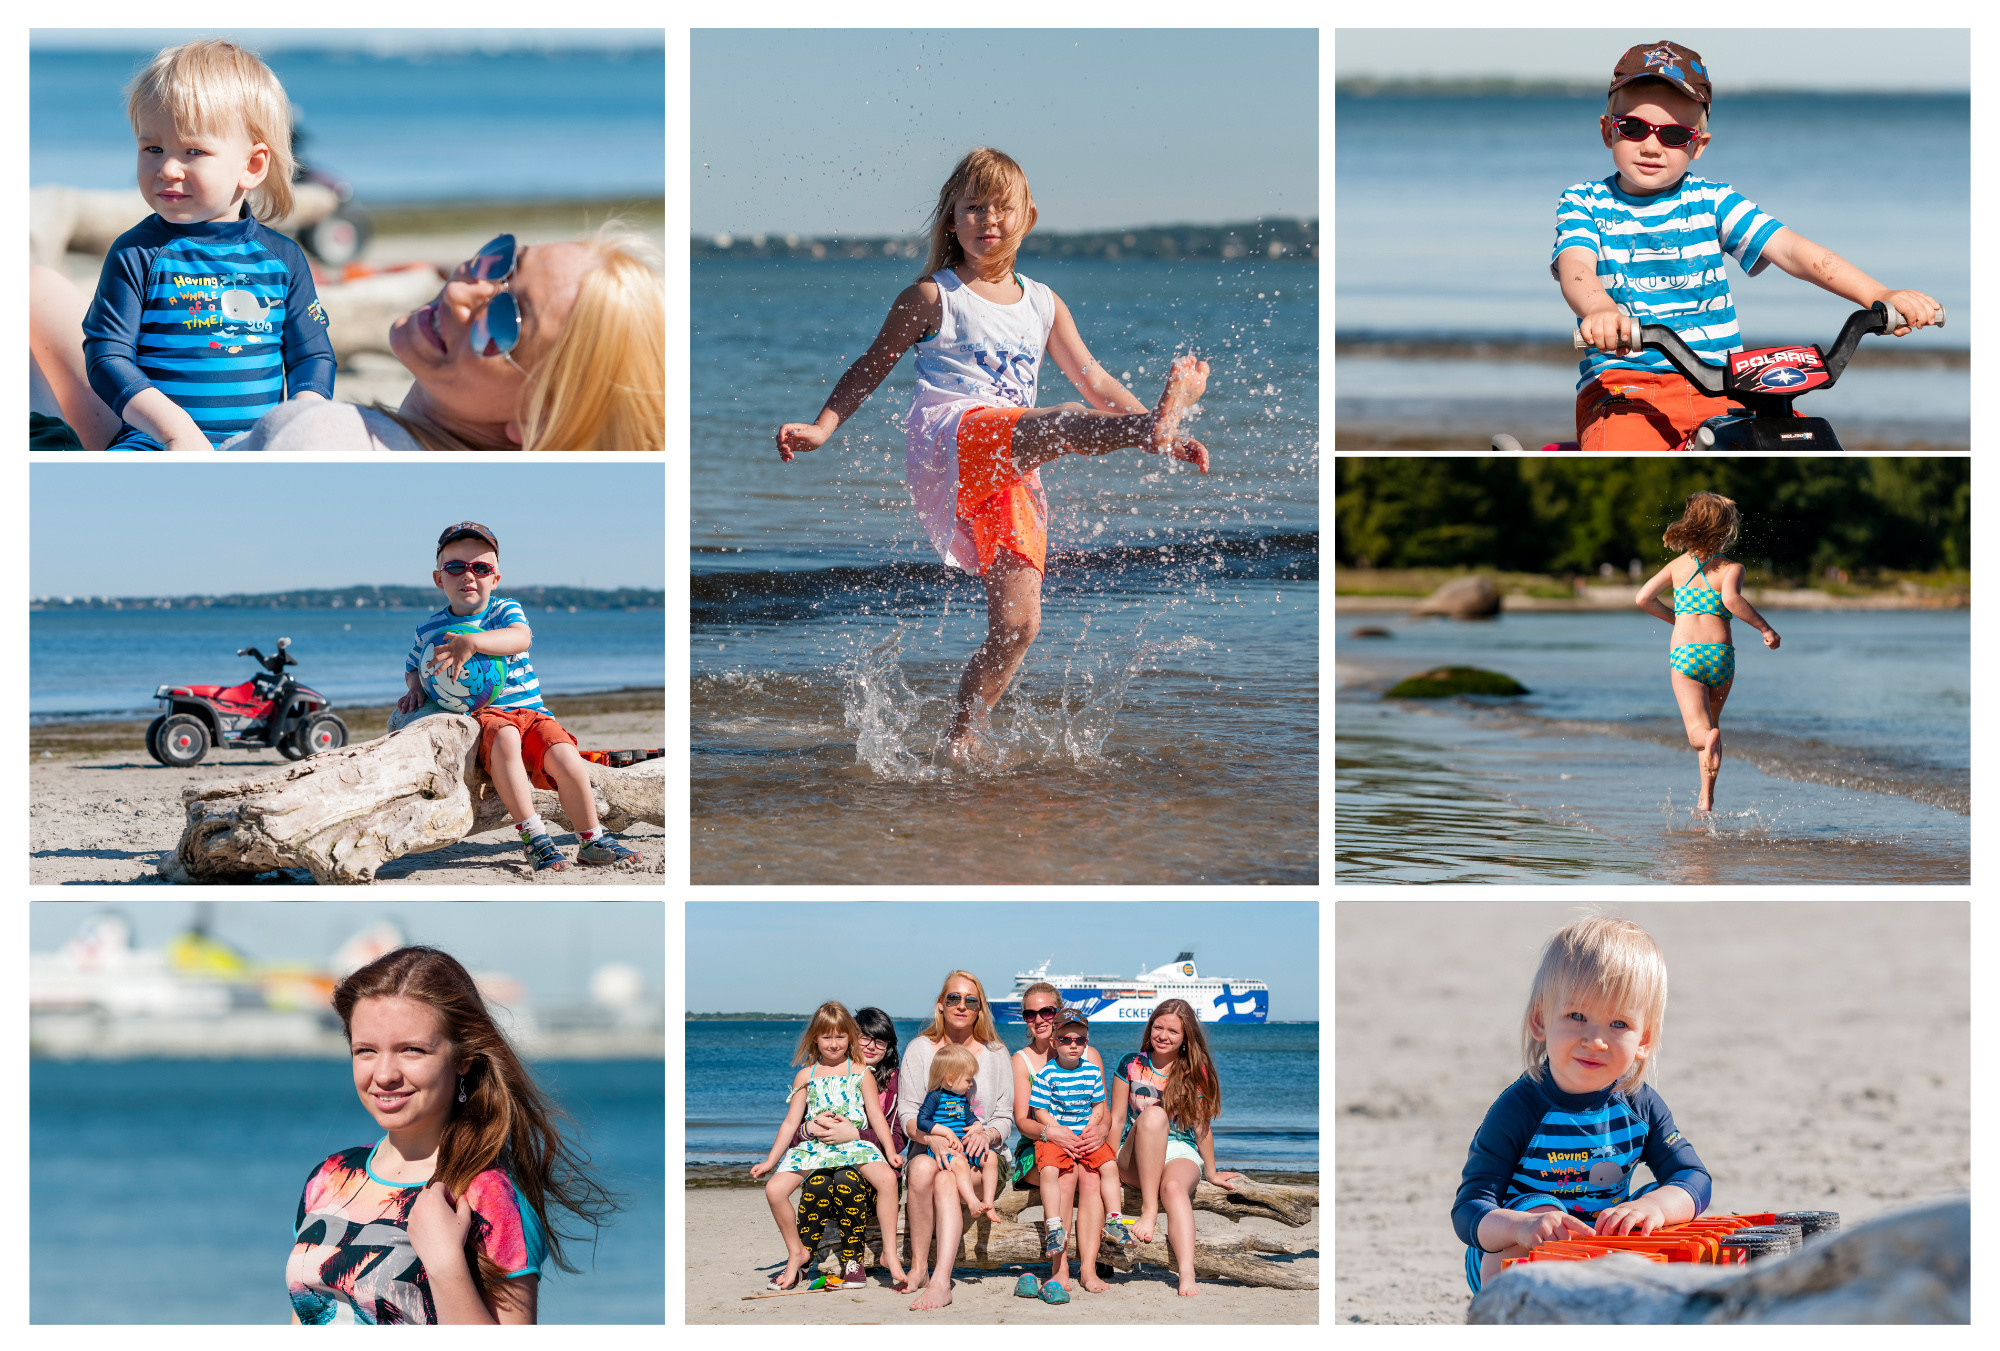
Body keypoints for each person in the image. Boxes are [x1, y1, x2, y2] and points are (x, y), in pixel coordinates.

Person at [774, 147, 1213, 765]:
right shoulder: (934, 295)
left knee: (1020, 624)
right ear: (951, 220)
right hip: (955, 436)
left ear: (1027, 218)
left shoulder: (1043, 303)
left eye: (1002, 208)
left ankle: (960, 739)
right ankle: (1151, 427)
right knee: (1060, 422)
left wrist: (1157, 433)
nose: (989, 220)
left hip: (1012, 464)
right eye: (974, 207)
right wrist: (823, 427)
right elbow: (872, 364)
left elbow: (1095, 381)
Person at [1555, 40, 1942, 451]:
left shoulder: (1713, 201)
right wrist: (1599, 310)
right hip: (1627, 387)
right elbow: (1575, 266)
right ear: (1607, 130)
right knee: (1623, 455)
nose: (1651, 146)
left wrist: (1879, 294)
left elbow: (1792, 251)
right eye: (1633, 128)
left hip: (1720, 384)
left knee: (1798, 445)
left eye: (1674, 134)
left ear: (1697, 145)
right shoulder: (1584, 203)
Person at [30, 225, 663, 451]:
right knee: (32, 289)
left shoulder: (327, 434)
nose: (465, 292)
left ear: (537, 419)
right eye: (500, 262)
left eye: (507, 320)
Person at [287, 945, 615, 1324]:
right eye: (366, 1051)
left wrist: (445, 1263)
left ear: (463, 1059)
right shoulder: (330, 1176)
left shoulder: (488, 1195)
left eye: (412, 1050)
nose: (385, 1074)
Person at [84, 39, 334, 450]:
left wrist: (303, 421)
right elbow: (107, 357)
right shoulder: (136, 254)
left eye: (193, 151)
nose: (167, 168)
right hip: (156, 441)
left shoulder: (283, 259)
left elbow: (312, 357)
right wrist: (175, 431)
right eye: (153, 148)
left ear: (252, 165)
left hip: (257, 443)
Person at [1451, 917, 1712, 1295]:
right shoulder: (1518, 1109)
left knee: (1667, 1207)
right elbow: (1470, 1208)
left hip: (1605, 1247)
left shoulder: (1640, 1105)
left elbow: (1693, 1177)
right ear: (1540, 1020)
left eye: (1618, 1024)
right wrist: (1520, 1227)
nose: (1596, 1040)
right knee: (1538, 1207)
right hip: (1519, 1254)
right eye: (1577, 1016)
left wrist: (1653, 1207)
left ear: (1644, 1039)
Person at [398, 522, 642, 872]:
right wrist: (415, 689)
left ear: (495, 578)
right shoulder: (430, 630)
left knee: (566, 756)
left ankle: (592, 839)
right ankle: (534, 836)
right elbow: (414, 666)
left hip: (533, 713)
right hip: (487, 717)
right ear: (439, 579)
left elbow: (520, 637)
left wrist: (474, 642)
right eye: (455, 567)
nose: (469, 575)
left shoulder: (504, 611)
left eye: (481, 568)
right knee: (507, 739)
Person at [1633, 492, 1779, 812]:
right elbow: (1731, 600)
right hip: (1721, 657)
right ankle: (1706, 796)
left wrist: (1677, 619)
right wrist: (1765, 629)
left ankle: (1706, 748)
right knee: (1713, 722)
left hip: (1686, 655)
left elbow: (1643, 598)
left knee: (1699, 733)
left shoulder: (1677, 567)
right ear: (1725, 530)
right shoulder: (1731, 569)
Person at [751, 1002, 907, 1293]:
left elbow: (876, 1117)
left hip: (853, 1146)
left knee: (887, 1179)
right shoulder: (805, 1076)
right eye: (826, 1037)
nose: (834, 1044)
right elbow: (790, 1123)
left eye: (840, 1036)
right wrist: (770, 1161)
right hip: (816, 1148)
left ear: (849, 1037)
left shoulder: (862, 1072)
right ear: (815, 1038)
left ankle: (889, 1252)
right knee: (774, 1190)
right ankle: (797, 1252)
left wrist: (890, 1151)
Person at [1108, 998, 1245, 1296]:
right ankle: (1148, 1209)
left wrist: (1212, 1172)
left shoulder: (1195, 1072)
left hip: (1179, 1150)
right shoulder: (1131, 1063)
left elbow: (1201, 1127)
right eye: (1158, 1027)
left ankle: (1186, 1272)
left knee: (1173, 1188)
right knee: (1154, 1115)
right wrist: (1106, 1164)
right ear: (1150, 1028)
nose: (1163, 1035)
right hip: (1135, 1153)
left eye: (1173, 1031)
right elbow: (1116, 1119)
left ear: (1185, 1037)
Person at [895, 970, 1015, 1310]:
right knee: (921, 1170)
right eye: (954, 998)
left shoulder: (995, 1053)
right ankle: (919, 1267)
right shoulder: (920, 1050)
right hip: (930, 1149)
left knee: (946, 1180)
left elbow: (1005, 1117)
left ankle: (941, 1281)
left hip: (981, 1158)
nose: (962, 1006)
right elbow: (908, 1113)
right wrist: (930, 1138)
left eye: (971, 1001)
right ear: (940, 1005)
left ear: (980, 1009)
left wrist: (986, 1134)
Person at [1008, 981, 1106, 1302]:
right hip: (1037, 1145)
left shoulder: (1087, 1054)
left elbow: (1102, 1111)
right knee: (1067, 1175)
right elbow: (1022, 1121)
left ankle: (1088, 1269)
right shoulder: (1022, 1060)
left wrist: (1100, 1132)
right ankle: (1060, 1267)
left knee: (1091, 1177)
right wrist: (1052, 1133)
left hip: (1080, 1142)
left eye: (1047, 1011)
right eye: (1030, 1014)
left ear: (1059, 1012)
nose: (1038, 1019)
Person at [1028, 1008, 1129, 1301]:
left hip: (1085, 1136)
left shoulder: (1091, 1071)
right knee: (1053, 1172)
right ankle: (1054, 1229)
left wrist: (1093, 1126)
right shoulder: (1046, 1073)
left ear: (1087, 1042)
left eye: (1080, 1040)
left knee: (1108, 1167)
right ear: (1054, 1041)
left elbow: (1099, 1107)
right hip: (1057, 1137)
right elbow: (1038, 1111)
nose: (1073, 1044)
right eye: (1065, 1039)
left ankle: (1114, 1221)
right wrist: (1057, 1130)